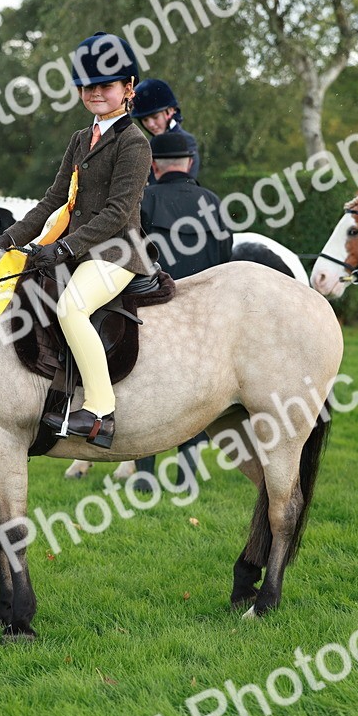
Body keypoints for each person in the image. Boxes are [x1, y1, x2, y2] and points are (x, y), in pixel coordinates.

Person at [0, 32, 153, 449]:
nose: (96, 93)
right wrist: (6, 239)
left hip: (118, 251)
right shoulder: (81, 139)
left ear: (128, 88)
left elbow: (117, 214)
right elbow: (54, 199)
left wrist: (61, 249)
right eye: (89, 86)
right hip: (79, 250)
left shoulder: (135, 143)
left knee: (71, 307)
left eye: (107, 85)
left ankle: (100, 411)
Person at [132, 131, 232, 486]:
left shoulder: (143, 200)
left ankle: (144, 474)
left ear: (154, 166)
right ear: (189, 162)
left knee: (146, 391)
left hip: (153, 312)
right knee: (196, 392)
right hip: (202, 316)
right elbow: (225, 264)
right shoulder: (213, 203)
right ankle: (187, 472)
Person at [131, 78, 199, 183]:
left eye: (155, 117)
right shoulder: (147, 146)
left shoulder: (186, 141)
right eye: (145, 120)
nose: (151, 125)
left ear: (170, 111)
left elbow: (186, 184)